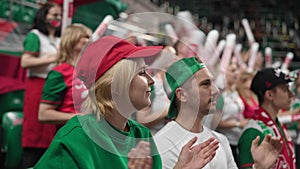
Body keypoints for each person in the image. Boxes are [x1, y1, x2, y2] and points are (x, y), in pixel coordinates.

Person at [33, 35, 220, 169]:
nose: (152, 80)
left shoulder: (142, 134)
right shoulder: (76, 138)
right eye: (141, 73)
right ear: (116, 83)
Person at [154, 57, 283, 169]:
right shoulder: (162, 143)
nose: (215, 91)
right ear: (182, 95)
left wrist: (258, 167)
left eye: (213, 83)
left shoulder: (220, 140)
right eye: (205, 84)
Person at [20, 2, 62, 168]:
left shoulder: (59, 38)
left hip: (55, 87)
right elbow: (25, 61)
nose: (57, 19)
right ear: (44, 16)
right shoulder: (35, 36)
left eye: (59, 15)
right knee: (35, 133)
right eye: (53, 15)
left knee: (50, 135)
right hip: (37, 86)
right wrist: (53, 58)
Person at [238, 68, 297, 169]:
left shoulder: (278, 124)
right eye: (285, 89)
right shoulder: (252, 132)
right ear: (269, 95)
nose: (291, 95)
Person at [38, 24, 92, 126]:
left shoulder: (90, 72)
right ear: (72, 39)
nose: (89, 40)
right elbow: (43, 114)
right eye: (85, 37)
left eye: (89, 37)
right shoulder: (59, 73)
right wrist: (79, 117)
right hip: (71, 133)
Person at [216, 62, 248, 166]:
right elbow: (215, 123)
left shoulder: (235, 92)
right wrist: (238, 124)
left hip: (236, 141)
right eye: (232, 70)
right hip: (224, 141)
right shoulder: (220, 95)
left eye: (237, 70)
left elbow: (239, 113)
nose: (236, 73)